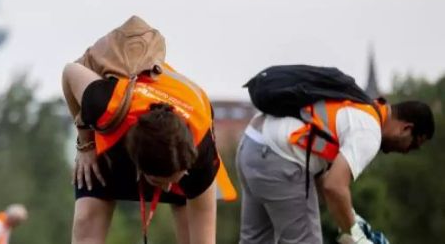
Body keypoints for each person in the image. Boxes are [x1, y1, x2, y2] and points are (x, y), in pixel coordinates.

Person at [63, 16, 237, 244]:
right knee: (87, 222)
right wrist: (85, 143)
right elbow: (70, 72)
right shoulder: (105, 105)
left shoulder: (200, 158)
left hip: (183, 133)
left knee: (191, 229)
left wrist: (176, 176)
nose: (167, 187)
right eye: (159, 181)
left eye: (173, 179)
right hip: (116, 137)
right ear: (139, 166)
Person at [237, 86, 434, 243]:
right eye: (413, 145)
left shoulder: (358, 105)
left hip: (251, 144)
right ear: (406, 128)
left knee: (255, 241)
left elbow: (322, 178)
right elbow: (335, 186)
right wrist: (357, 238)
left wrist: (351, 219)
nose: (406, 152)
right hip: (279, 155)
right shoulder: (370, 131)